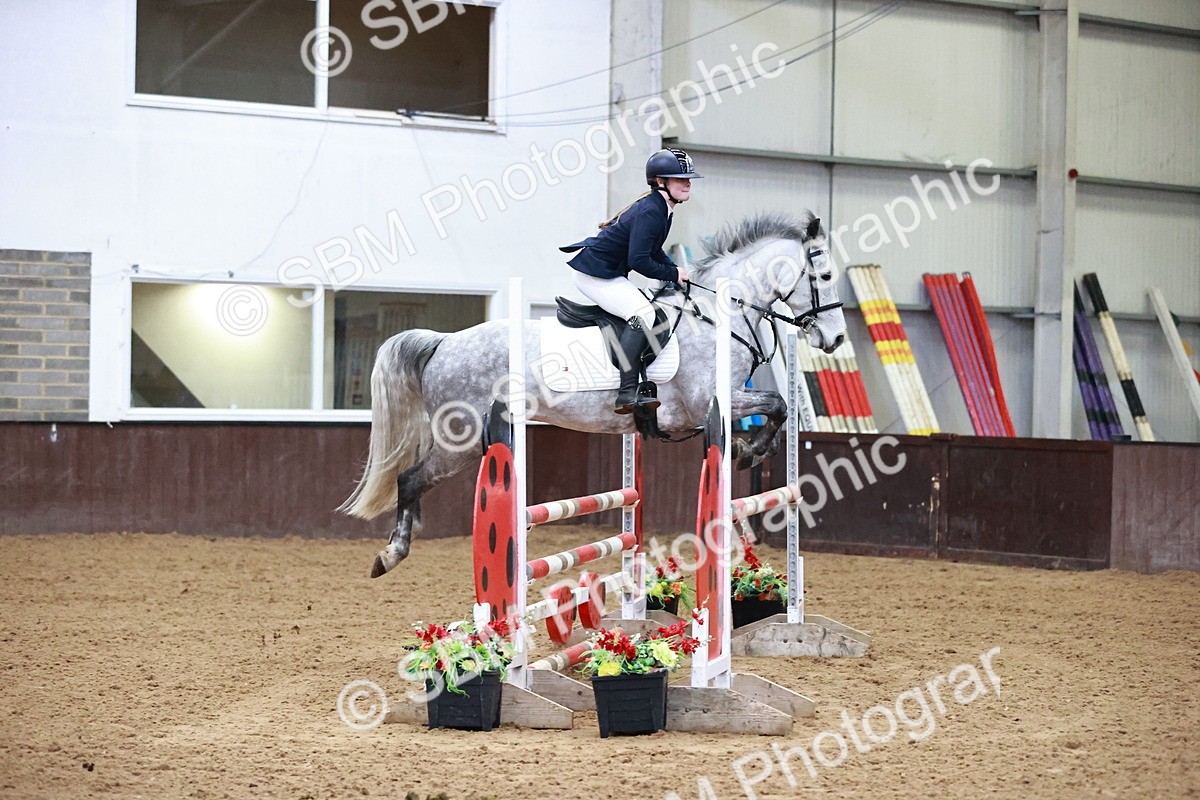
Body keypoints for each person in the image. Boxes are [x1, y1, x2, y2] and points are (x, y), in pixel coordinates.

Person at [560, 147, 701, 413]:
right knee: (642, 314)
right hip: (594, 274)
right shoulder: (651, 211)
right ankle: (626, 393)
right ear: (660, 181)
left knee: (648, 310)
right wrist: (672, 274)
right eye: (680, 178)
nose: (687, 183)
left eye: (688, 178)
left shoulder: (662, 208)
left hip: (606, 272)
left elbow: (654, 250)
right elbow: (639, 260)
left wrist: (674, 270)